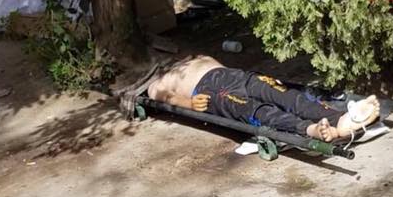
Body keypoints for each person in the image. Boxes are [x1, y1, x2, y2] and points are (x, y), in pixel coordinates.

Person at [146, 55, 380, 142]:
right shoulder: (161, 79)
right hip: (210, 92)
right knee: (256, 111)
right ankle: (312, 130)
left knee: (281, 93)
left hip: (238, 76)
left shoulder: (193, 57)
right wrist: (188, 103)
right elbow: (158, 94)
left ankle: (340, 119)